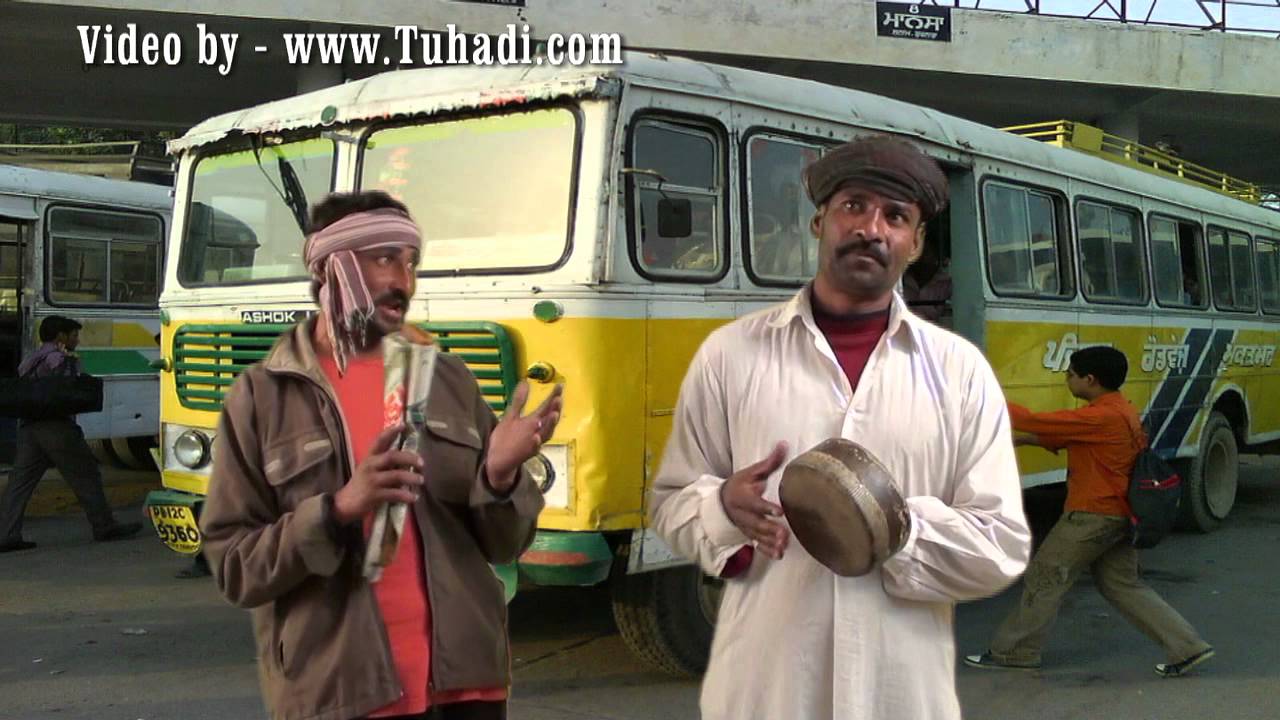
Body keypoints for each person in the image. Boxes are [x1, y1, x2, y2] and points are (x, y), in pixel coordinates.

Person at [649, 136, 1031, 720]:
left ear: (915, 242)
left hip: (900, 698)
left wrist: (893, 530)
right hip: (767, 695)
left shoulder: (959, 371)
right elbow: (671, 504)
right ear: (819, 222)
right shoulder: (731, 355)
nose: (871, 229)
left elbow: (1001, 544)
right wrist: (721, 508)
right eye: (854, 206)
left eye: (895, 217)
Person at [199, 191, 561, 720]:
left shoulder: (445, 377)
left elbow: (505, 545)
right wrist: (339, 509)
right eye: (384, 259)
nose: (403, 282)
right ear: (330, 268)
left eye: (410, 262)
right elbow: (236, 569)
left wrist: (500, 477)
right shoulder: (264, 396)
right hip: (343, 695)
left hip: (467, 689)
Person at [965, 346, 1214, 678]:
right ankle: (1188, 646)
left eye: (1071, 374)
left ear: (1090, 380)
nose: (1066, 378)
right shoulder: (1120, 409)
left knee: (1045, 575)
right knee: (1121, 584)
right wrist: (1025, 441)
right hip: (1121, 511)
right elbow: (1076, 438)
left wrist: (984, 397)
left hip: (1093, 514)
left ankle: (1015, 651)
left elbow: (1036, 420)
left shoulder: (1100, 416)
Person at [0, 315, 142, 552]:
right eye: (74, 335)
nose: (77, 340)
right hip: (57, 426)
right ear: (61, 336)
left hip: (30, 426)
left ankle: (7, 534)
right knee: (86, 475)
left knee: (20, 482)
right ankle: (104, 525)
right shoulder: (60, 359)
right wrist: (75, 365)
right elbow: (68, 390)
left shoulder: (31, 358)